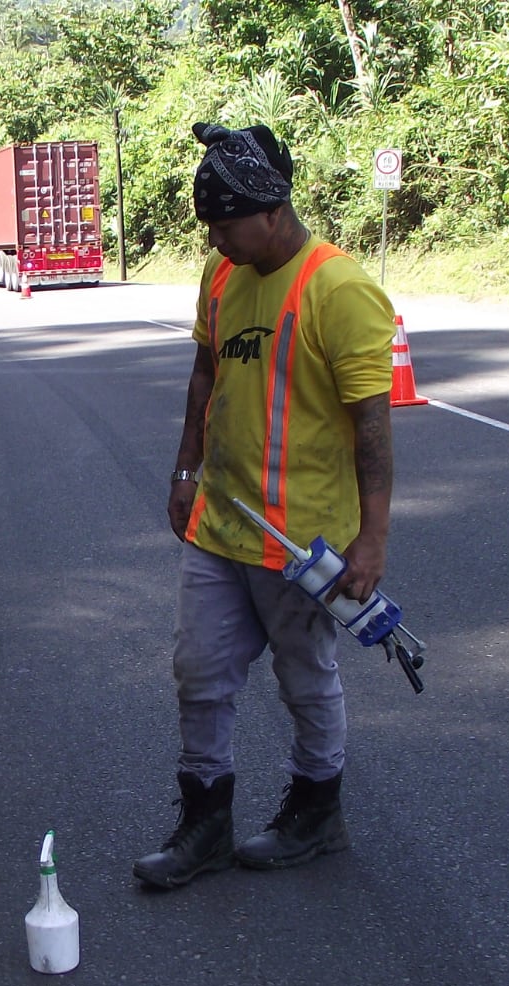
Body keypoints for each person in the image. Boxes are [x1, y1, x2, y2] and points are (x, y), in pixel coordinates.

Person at [133, 123, 397, 890]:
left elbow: (373, 428)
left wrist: (372, 541)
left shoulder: (338, 289)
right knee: (200, 672)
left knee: (304, 675)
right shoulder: (222, 279)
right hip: (220, 524)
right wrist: (185, 471)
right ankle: (204, 825)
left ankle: (317, 812)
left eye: (224, 223)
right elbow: (202, 378)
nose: (215, 239)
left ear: (272, 208)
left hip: (301, 541)